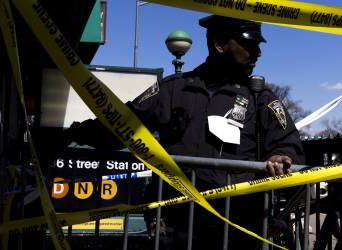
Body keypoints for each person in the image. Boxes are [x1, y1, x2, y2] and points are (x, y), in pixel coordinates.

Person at [63, 15, 305, 250]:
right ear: (220, 44)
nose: (258, 53)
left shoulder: (260, 98)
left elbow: (288, 144)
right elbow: (123, 125)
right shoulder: (173, 89)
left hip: (236, 227)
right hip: (178, 225)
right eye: (249, 44)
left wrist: (282, 157)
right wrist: (69, 135)